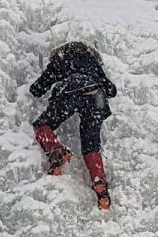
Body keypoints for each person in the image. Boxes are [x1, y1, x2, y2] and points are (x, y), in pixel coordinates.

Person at [29, 41, 117, 210]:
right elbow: (111, 90)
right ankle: (99, 181)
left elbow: (37, 89)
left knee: (42, 125)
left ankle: (56, 152)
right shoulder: (92, 63)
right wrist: (94, 77)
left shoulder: (61, 59)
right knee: (91, 143)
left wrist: (47, 79)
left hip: (70, 90)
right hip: (95, 95)